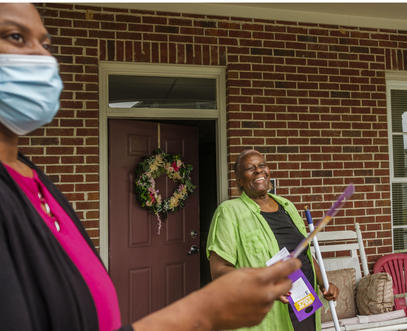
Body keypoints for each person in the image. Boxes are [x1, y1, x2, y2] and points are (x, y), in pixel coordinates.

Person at [0, 3, 301, 331]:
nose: (43, 58)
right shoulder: (230, 213)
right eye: (16, 37)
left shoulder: (33, 180)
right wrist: (201, 314)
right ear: (237, 176)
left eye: (46, 44)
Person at [206, 149, 339, 331]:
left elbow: (304, 253)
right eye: (250, 168)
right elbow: (219, 271)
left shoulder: (288, 206)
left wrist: (325, 283)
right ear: (239, 179)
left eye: (262, 166)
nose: (259, 171)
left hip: (303, 306)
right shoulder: (229, 212)